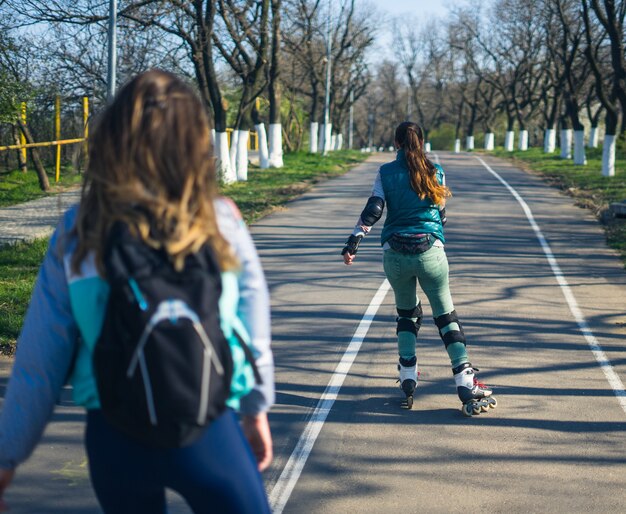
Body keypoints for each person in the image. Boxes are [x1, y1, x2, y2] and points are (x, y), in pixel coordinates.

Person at [0, 69, 274, 513]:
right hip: (207, 426)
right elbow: (252, 323)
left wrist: (7, 457)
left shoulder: (79, 228)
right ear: (194, 145)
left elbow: (38, 362)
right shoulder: (220, 219)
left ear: (111, 140)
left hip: (114, 436)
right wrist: (255, 407)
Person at [341, 121, 496, 416]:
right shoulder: (435, 171)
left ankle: (408, 374)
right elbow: (442, 215)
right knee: (445, 315)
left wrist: (354, 241)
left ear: (396, 143)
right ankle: (465, 380)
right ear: (421, 142)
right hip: (430, 253)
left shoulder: (385, 172)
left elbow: (374, 209)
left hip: (395, 254)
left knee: (406, 313)